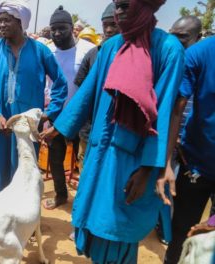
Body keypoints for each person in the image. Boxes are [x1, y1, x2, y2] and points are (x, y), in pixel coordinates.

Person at [41, 0, 184, 262]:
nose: (118, 11)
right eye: (116, 5)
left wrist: (147, 170)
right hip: (98, 154)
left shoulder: (168, 50)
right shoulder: (109, 47)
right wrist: (58, 127)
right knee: (92, 226)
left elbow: (164, 115)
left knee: (116, 230)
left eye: (125, 5)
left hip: (132, 162)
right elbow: (86, 93)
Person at [0, 0, 68, 198]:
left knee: (24, 178)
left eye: (6, 20)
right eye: (0, 20)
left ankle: (24, 225)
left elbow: (60, 83)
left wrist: (47, 115)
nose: (1, 25)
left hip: (27, 131)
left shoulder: (40, 51)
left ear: (20, 22)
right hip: (0, 128)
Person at [160, 34, 215, 264]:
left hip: (195, 160)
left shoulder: (199, 51)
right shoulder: (200, 53)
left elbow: (177, 108)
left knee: (193, 236)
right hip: (194, 162)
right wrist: (166, 163)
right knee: (184, 233)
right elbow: (177, 106)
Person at [154, 15, 203, 246]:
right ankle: (164, 229)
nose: (176, 42)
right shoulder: (168, 61)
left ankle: (169, 234)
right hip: (166, 140)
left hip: (188, 146)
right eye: (173, 35)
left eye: (183, 38)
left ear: (198, 38)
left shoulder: (200, 62)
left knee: (173, 194)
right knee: (162, 186)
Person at [43, 5, 95, 210]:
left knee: (83, 163)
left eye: (62, 28)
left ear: (72, 28)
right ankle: (61, 195)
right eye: (53, 28)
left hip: (82, 117)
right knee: (56, 161)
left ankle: (83, 204)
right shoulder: (47, 51)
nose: (57, 33)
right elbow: (46, 83)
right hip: (57, 116)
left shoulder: (87, 50)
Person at [73, 2, 119, 173]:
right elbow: (82, 90)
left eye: (113, 24)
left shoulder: (134, 56)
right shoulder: (93, 55)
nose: (108, 30)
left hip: (115, 134)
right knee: (86, 170)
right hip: (89, 129)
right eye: (105, 25)